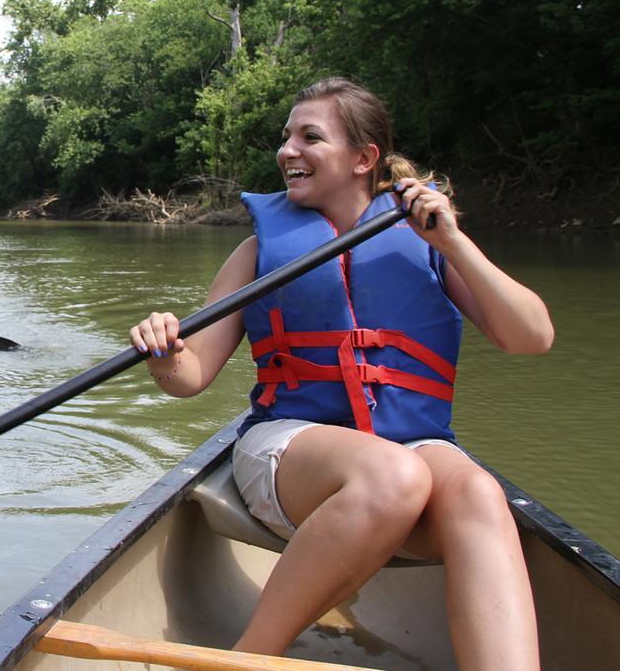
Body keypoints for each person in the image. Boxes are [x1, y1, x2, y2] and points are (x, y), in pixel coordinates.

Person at [128, 77, 553, 670]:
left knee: (479, 493)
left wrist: (455, 243)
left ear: (364, 159)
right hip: (290, 448)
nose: (287, 151)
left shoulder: (429, 242)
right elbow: (189, 376)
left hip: (411, 449)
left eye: (310, 137)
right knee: (393, 474)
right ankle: (248, 661)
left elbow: (532, 337)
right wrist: (164, 350)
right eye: (286, 138)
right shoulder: (256, 252)